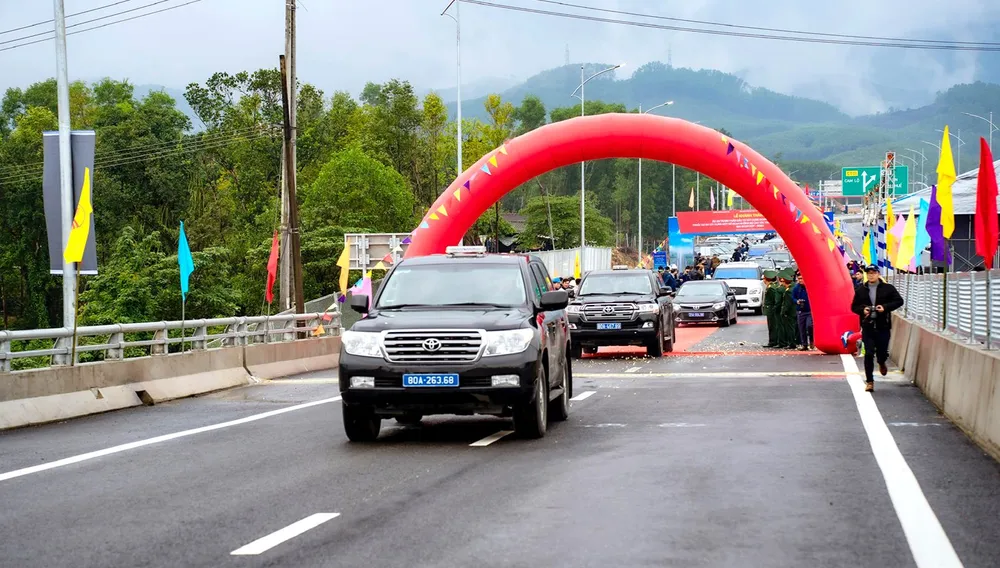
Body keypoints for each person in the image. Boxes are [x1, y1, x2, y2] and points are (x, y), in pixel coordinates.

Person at [850, 264, 904, 392]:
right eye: (869, 273)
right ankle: (869, 381)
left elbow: (899, 301)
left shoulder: (888, 288)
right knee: (868, 353)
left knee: (882, 352)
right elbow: (853, 307)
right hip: (867, 326)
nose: (871, 275)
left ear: (878, 274)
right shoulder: (861, 290)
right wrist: (863, 310)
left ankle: (882, 361)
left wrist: (884, 307)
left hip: (883, 325)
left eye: (873, 273)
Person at [776, 269, 798, 349]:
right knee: (792, 328)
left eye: (783, 282)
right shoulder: (793, 287)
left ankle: (792, 343)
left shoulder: (788, 291)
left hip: (789, 313)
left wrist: (783, 312)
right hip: (794, 311)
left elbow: (787, 304)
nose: (782, 284)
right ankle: (792, 342)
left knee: (790, 329)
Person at [791, 272, 813, 350]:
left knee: (809, 326)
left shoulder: (810, 287)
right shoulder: (796, 288)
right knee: (802, 328)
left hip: (809, 310)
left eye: (801, 278)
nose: (800, 280)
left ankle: (812, 341)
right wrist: (797, 301)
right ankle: (804, 344)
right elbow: (793, 297)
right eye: (799, 279)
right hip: (801, 311)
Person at [762, 269, 779, 348]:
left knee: (772, 326)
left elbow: (774, 299)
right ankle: (773, 341)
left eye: (764, 279)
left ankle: (773, 341)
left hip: (771, 309)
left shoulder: (771, 288)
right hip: (771, 309)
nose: (763, 281)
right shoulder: (771, 286)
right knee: (772, 325)